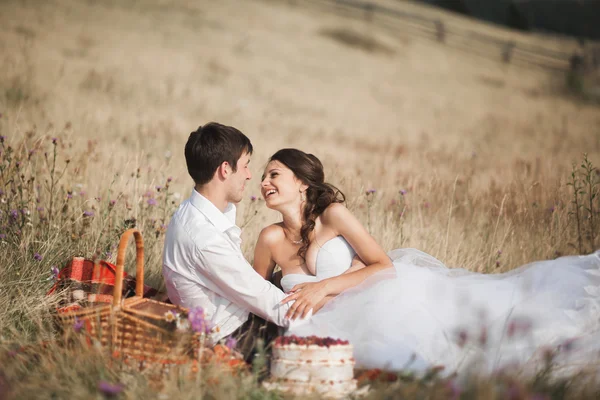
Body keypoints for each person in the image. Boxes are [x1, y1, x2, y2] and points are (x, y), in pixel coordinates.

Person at [253, 148, 600, 373]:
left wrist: (322, 287)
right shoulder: (269, 238)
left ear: (301, 183)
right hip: (318, 325)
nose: (264, 181)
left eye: (274, 174)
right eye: (264, 176)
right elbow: (252, 293)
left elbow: (383, 266)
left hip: (373, 302)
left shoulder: (334, 215)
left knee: (475, 343)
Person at [162, 124, 322, 361]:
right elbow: (264, 298)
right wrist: (327, 310)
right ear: (225, 169)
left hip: (243, 316)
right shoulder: (204, 238)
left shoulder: (196, 212)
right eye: (245, 166)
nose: (249, 175)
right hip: (238, 337)